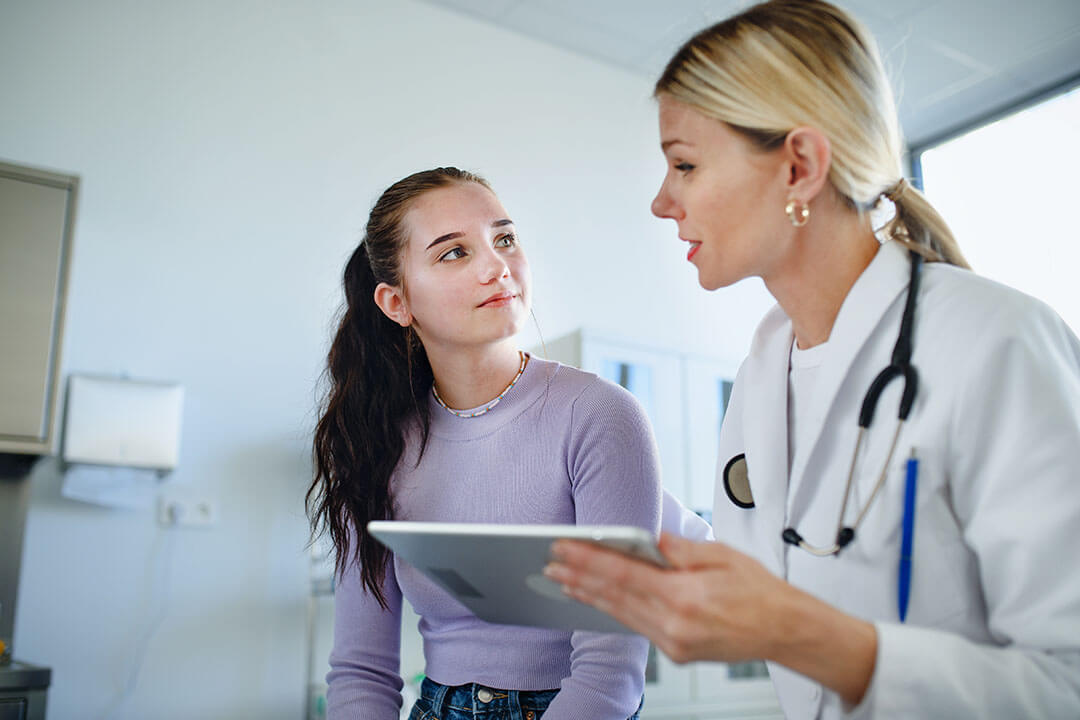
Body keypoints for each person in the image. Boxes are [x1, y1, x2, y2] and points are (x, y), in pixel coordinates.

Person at [544, 1, 1080, 718]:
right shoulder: (763, 376)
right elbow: (772, 568)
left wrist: (816, 639)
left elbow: (1066, 681)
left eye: (685, 165)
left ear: (798, 166)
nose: (661, 202)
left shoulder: (998, 343)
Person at [307, 167, 672, 720]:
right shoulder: (375, 443)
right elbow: (360, 671)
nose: (498, 266)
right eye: (454, 253)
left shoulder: (599, 415)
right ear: (396, 303)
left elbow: (609, 675)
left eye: (504, 239)